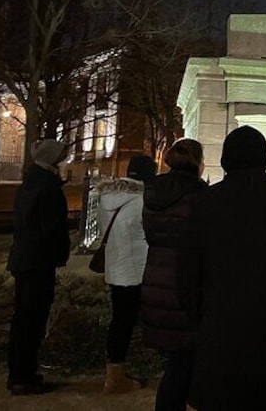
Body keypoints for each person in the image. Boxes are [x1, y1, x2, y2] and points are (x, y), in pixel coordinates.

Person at [183, 126, 266, 411]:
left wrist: (198, 318)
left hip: (220, 329)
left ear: (227, 159)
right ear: (265, 158)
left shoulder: (205, 202)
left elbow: (187, 274)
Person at [141, 139, 209, 411]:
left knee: (176, 362)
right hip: (186, 285)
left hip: (157, 279)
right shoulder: (199, 195)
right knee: (185, 365)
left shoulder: (153, 192)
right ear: (198, 162)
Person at [6, 139, 71, 396]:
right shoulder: (48, 186)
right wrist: (59, 252)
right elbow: (51, 227)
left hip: (25, 258)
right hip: (38, 260)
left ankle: (19, 372)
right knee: (32, 319)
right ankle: (24, 377)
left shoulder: (32, 183)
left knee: (23, 317)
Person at [96, 155, 156, 393]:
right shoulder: (142, 201)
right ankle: (116, 378)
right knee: (131, 321)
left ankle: (114, 371)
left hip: (115, 268)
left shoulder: (107, 198)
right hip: (138, 269)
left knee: (120, 321)